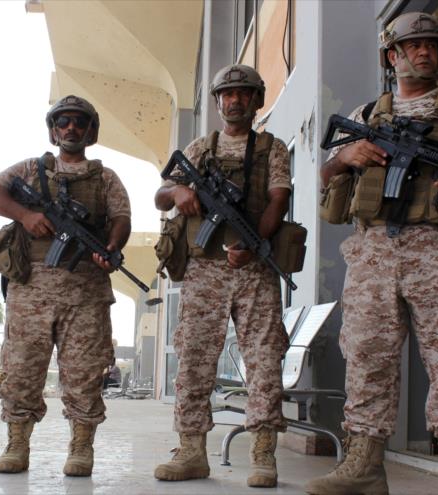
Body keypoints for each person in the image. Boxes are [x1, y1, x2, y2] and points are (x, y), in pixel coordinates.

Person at [306, 12, 438, 495]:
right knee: (365, 354)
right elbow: (324, 178)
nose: (425, 52)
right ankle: (364, 464)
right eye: (414, 45)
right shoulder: (368, 114)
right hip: (374, 249)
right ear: (393, 56)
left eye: (432, 45)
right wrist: (346, 157)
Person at [153, 64, 292, 488]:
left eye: (243, 94)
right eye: (227, 95)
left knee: (264, 360)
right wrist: (180, 191)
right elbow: (162, 195)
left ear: (256, 100)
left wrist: (255, 243)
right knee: (194, 358)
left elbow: (277, 199)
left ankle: (264, 454)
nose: (234, 101)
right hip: (204, 269)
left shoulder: (272, 148)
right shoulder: (199, 148)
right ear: (217, 102)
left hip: (253, 269)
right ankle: (192, 450)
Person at [0, 95, 132, 477]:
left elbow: (121, 218)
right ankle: (17, 443)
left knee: (84, 372)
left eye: (79, 122)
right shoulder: (32, 169)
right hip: (31, 287)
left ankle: (81, 446)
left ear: (90, 130)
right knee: (22, 369)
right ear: (53, 129)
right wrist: (26, 215)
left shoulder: (105, 177)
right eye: (63, 122)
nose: (70, 128)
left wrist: (111, 246)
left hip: (85, 291)